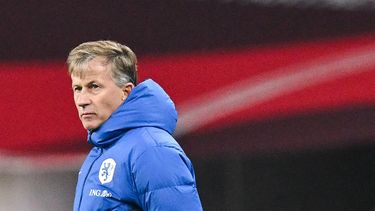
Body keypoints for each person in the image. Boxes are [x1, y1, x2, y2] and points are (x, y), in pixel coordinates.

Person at [67, 40, 203, 210]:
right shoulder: (102, 149)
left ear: (126, 91)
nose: (82, 101)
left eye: (94, 86)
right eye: (77, 89)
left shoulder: (152, 150)